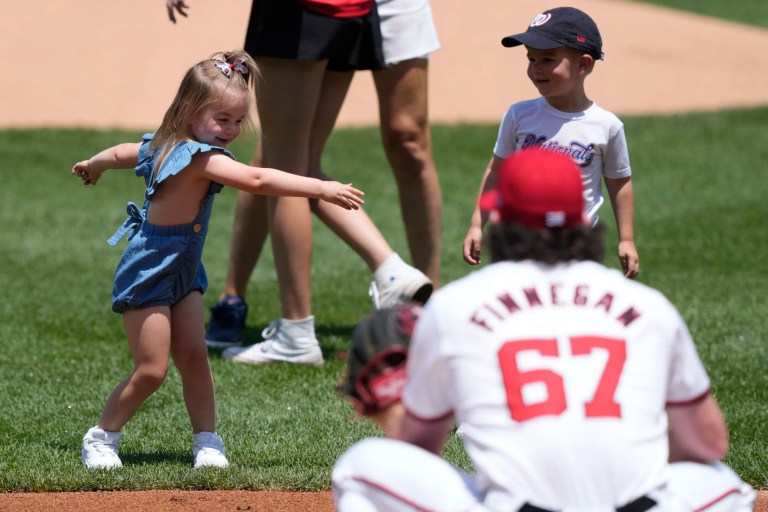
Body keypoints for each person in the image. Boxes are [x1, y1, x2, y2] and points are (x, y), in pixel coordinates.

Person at [332, 147, 756, 511]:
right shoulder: (648, 306)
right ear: (583, 222)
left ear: (498, 217)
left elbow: (420, 447)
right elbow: (709, 443)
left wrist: (391, 410)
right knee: (723, 483)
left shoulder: (455, 305)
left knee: (361, 466)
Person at [73, 50, 365, 469]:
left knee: (194, 357)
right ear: (190, 112)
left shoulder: (173, 146)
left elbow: (122, 152)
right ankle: (102, 436)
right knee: (152, 370)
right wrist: (319, 188)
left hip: (185, 269)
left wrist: (95, 165)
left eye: (237, 121)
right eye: (221, 119)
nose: (230, 130)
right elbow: (258, 179)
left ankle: (207, 440)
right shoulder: (199, 157)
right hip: (148, 270)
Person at [166, 0, 442, 356]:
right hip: (351, 10)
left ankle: (298, 333)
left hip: (308, 11)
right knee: (296, 161)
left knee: (286, 163)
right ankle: (390, 272)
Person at [463, 6, 640, 280]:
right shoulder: (519, 115)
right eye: (531, 58)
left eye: (547, 59)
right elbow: (496, 170)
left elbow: (618, 182)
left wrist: (626, 238)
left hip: (577, 244)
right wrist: (477, 223)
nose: (536, 69)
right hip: (520, 240)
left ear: (583, 64)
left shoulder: (606, 125)